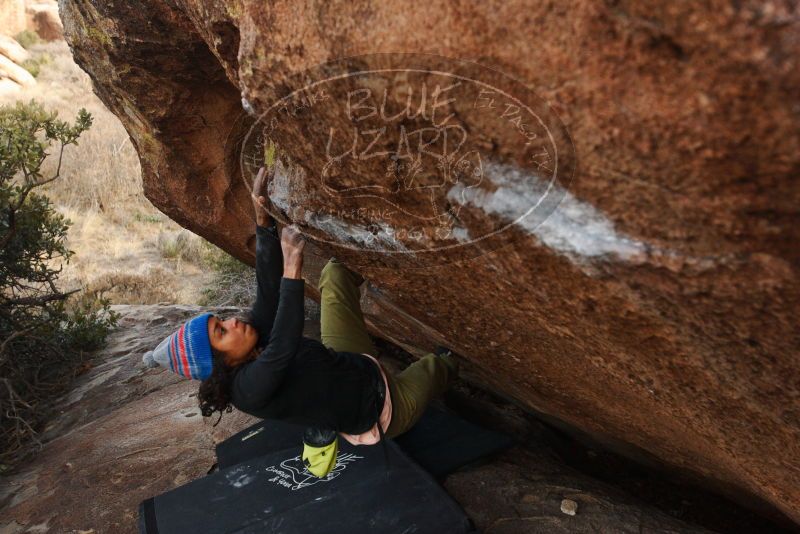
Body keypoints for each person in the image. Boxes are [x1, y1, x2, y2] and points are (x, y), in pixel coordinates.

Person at [142, 166, 459, 478]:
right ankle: (448, 365)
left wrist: (263, 220)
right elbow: (282, 347)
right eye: (221, 332)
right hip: (384, 409)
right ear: (220, 362)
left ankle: (395, 254)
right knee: (440, 363)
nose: (233, 322)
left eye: (221, 320)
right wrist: (292, 267)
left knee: (334, 274)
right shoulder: (248, 390)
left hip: (352, 361)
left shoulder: (251, 341)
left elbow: (268, 292)